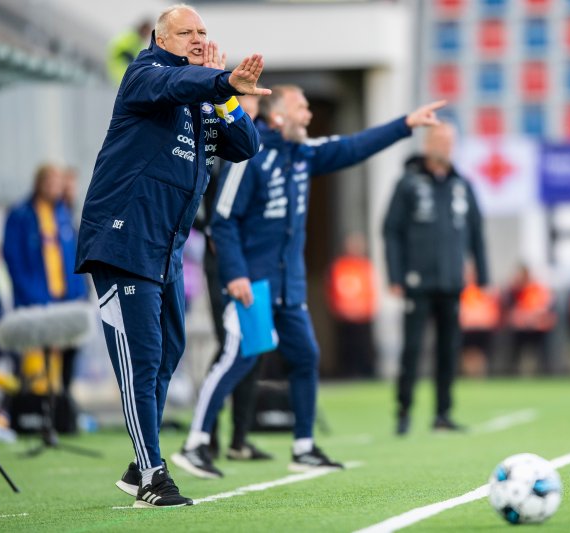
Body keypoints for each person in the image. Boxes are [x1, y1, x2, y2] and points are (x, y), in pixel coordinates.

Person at [172, 84, 444, 478]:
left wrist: (405, 125)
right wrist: (236, 274)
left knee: (304, 357)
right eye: (302, 108)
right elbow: (221, 220)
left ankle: (303, 447)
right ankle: (195, 443)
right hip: (255, 283)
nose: (309, 115)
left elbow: (353, 147)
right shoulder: (248, 152)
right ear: (278, 115)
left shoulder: (302, 154)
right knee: (240, 357)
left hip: (289, 287)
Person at [74, 4, 268, 508]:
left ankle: (142, 459)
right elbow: (177, 85)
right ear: (163, 38)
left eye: (203, 31)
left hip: (165, 249)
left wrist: (226, 94)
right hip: (123, 240)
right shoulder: (146, 73)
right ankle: (153, 477)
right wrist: (218, 78)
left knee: (169, 352)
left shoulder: (202, 94)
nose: (197, 38)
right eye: (187, 32)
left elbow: (245, 144)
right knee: (142, 360)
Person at [383, 123, 488, 435]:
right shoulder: (409, 183)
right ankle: (404, 411)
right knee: (413, 348)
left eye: (450, 141)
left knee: (448, 348)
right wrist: (395, 274)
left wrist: (482, 275)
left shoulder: (462, 185)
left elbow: (476, 232)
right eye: (440, 140)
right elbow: (391, 230)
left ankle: (443, 413)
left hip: (451, 282)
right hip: (418, 281)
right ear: (428, 143)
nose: (446, 146)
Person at [195, 94, 273, 461]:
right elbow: (192, 191)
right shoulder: (214, 138)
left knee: (253, 343)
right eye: (248, 96)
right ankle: (204, 432)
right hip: (224, 258)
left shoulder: (256, 140)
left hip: (252, 258)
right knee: (232, 341)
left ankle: (239, 437)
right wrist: (209, 230)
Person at [2, 163, 88, 404]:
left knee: (66, 360)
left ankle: (61, 407)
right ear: (39, 184)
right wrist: (30, 293)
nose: (55, 188)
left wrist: (79, 292)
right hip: (35, 301)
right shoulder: (21, 215)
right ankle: (29, 409)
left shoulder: (64, 215)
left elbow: (73, 257)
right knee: (34, 362)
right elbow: (13, 258)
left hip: (66, 300)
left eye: (57, 184)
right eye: (50, 183)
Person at [326, 232, 378, 378]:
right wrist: (340, 309)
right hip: (345, 314)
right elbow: (334, 289)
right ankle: (348, 373)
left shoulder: (365, 266)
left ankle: (367, 372)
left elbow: (370, 289)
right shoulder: (340, 266)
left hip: (363, 314)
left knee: (364, 347)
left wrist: (368, 309)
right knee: (347, 348)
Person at [503, 264, 556, 376]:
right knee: (515, 350)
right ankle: (512, 374)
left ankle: (547, 373)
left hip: (539, 327)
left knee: (545, 350)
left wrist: (534, 318)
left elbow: (548, 311)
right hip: (520, 328)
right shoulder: (513, 292)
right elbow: (510, 313)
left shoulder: (538, 290)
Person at [458, 264, 500, 377]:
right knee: (467, 353)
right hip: (467, 328)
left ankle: (479, 374)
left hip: (482, 328)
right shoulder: (463, 291)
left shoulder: (486, 290)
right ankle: (468, 374)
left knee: (480, 353)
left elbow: (492, 310)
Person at [107, 19, 152, 85]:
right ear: (142, 28)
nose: (147, 35)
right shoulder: (130, 36)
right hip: (116, 71)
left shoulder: (140, 44)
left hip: (123, 77)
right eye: (146, 31)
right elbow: (116, 48)